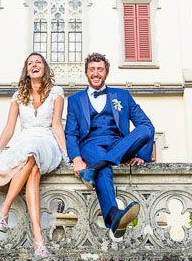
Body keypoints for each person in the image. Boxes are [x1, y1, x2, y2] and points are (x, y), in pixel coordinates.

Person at [0, 52, 68, 258]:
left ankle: (4, 209)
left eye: (38, 62)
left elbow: (57, 125)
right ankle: (38, 238)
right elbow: (9, 128)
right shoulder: (18, 96)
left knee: (34, 151)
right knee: (32, 167)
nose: (34, 65)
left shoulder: (57, 93)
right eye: (30, 63)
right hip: (25, 142)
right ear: (27, 71)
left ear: (44, 68)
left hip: (48, 142)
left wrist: (67, 154)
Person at [65, 52, 154, 238]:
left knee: (145, 130)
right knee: (104, 170)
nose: (96, 73)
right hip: (90, 144)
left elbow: (146, 125)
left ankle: (95, 168)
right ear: (86, 73)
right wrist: (76, 158)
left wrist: (142, 156)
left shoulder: (122, 95)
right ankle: (115, 216)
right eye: (92, 70)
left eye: (100, 69)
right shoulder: (74, 100)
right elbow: (71, 133)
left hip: (119, 143)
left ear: (106, 73)